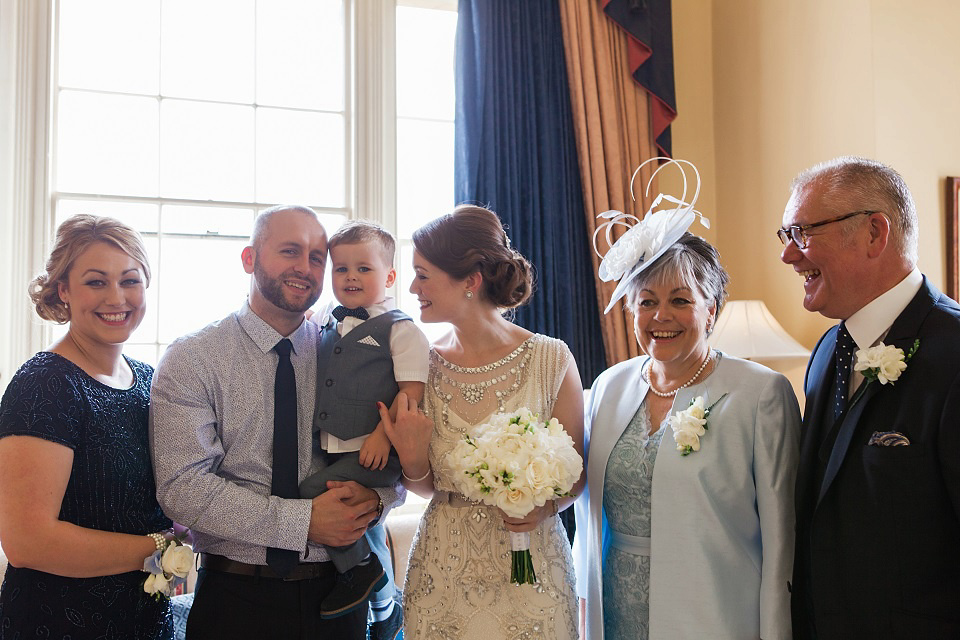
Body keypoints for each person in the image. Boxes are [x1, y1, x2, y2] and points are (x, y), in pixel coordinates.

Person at [150, 205, 401, 640]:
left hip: (340, 600)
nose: (305, 268)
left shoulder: (352, 351)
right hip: (236, 599)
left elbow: (392, 456)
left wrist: (376, 499)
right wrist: (301, 521)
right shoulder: (193, 358)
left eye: (317, 257)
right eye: (290, 251)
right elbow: (182, 488)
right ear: (249, 259)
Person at [574, 158, 799, 639]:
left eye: (681, 300)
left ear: (710, 310)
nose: (662, 316)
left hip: (716, 612)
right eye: (647, 301)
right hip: (615, 611)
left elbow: (782, 538)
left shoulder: (760, 395)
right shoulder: (608, 388)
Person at [377, 204, 585, 639]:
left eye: (423, 273)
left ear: (469, 281)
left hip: (530, 566)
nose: (413, 287)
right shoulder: (420, 367)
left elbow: (576, 475)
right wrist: (413, 462)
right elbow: (425, 483)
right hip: (444, 569)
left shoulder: (551, 359)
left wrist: (544, 506)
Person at [780, 157, 960, 639]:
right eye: (786, 236)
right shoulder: (825, 352)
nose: (788, 255)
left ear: (875, 233)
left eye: (802, 232)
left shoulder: (954, 352)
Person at [0, 214, 174, 639]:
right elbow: (27, 542)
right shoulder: (46, 384)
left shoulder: (152, 381)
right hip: (59, 620)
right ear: (64, 290)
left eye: (130, 280)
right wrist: (159, 550)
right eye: (96, 282)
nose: (117, 297)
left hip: (145, 618)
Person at [298, 220, 427, 630]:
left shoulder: (401, 329)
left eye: (364, 269)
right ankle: (386, 609)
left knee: (311, 493)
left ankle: (360, 572)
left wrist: (380, 435)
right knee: (365, 522)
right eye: (341, 268)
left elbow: (411, 392)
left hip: (375, 449)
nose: (351, 276)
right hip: (333, 443)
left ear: (389, 276)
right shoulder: (326, 320)